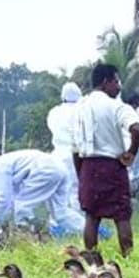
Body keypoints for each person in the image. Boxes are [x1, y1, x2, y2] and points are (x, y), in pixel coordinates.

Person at [75, 63, 139, 256]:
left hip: (87, 166)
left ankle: (91, 261)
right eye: (116, 81)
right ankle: (128, 258)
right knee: (122, 216)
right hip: (112, 166)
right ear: (106, 82)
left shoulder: (80, 108)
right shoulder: (116, 106)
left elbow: (74, 148)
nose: (119, 86)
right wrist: (131, 152)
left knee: (91, 216)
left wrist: (81, 174)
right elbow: (137, 128)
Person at [0, 150, 70, 232]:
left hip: (45, 170)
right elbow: (10, 200)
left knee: (22, 207)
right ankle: (80, 231)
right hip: (60, 167)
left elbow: (4, 198)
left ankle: (24, 236)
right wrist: (0, 217)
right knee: (61, 212)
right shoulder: (7, 162)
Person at [44, 82, 88, 236]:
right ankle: (80, 227)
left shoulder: (54, 112)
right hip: (75, 154)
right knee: (75, 192)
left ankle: (55, 226)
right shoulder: (82, 111)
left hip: (56, 156)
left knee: (56, 194)